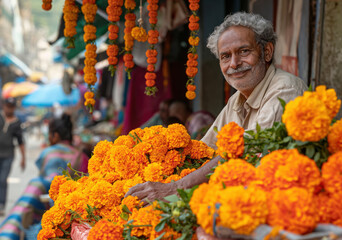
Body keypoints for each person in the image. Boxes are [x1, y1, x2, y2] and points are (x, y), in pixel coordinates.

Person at [125, 12, 307, 203]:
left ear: (267, 52)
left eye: (244, 51)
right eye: (225, 56)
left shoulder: (285, 89)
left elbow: (249, 152)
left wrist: (176, 187)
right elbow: (204, 151)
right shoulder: (237, 99)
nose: (234, 64)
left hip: (283, 204)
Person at [0, 113, 89, 239]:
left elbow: (44, 179)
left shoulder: (48, 152)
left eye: (50, 135)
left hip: (52, 206)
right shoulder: (81, 156)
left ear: (56, 135)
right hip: (75, 211)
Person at [0, 97, 26, 216]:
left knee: (3, 179)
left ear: (14, 108)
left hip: (8, 155)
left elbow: (20, 141)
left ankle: (1, 204)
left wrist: (23, 158)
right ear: (4, 106)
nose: (8, 109)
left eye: (11, 107)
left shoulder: (16, 123)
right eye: (7, 106)